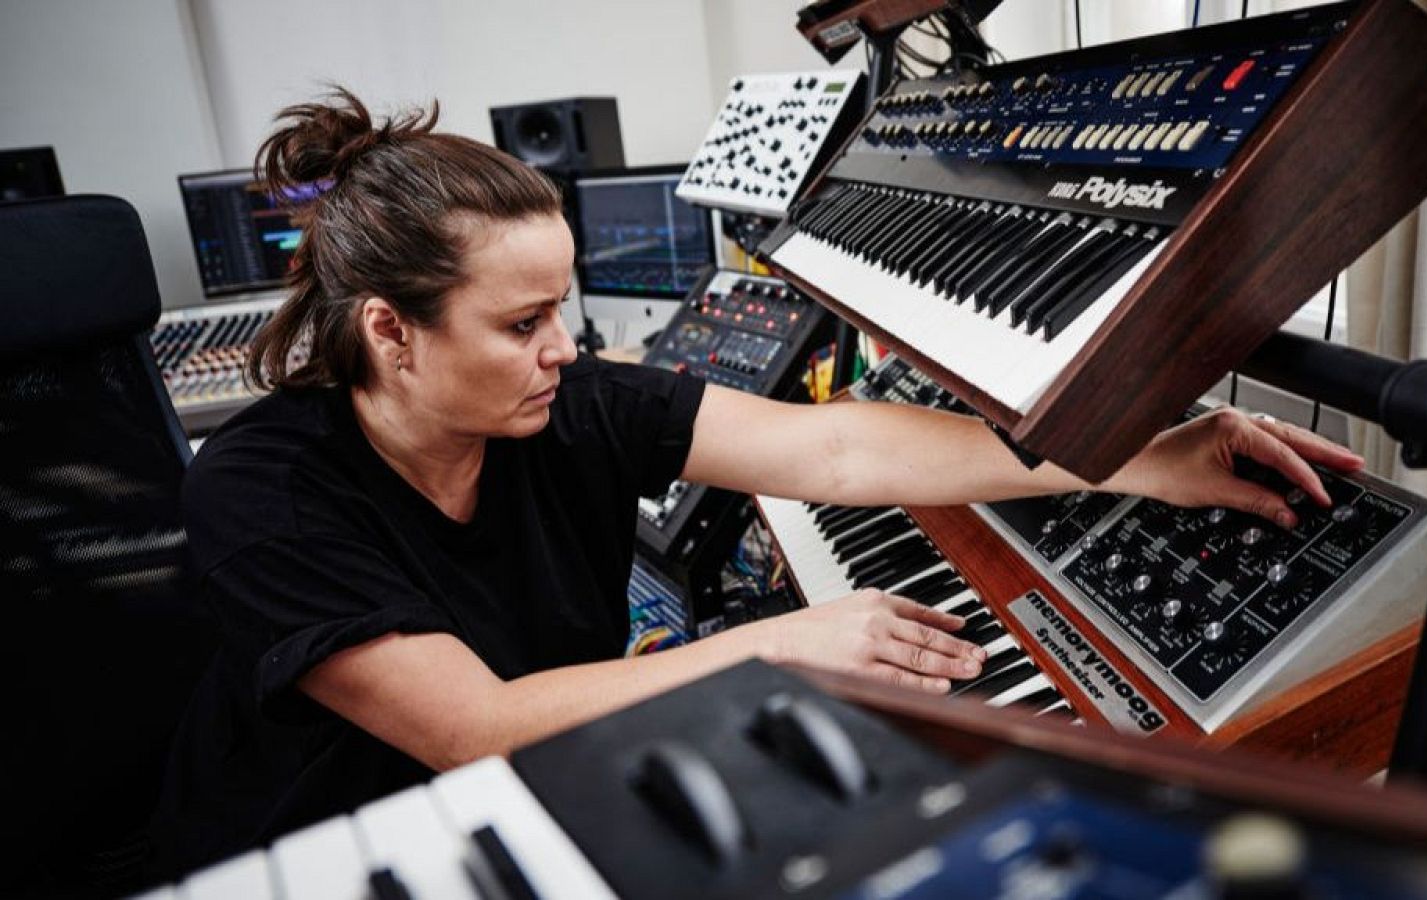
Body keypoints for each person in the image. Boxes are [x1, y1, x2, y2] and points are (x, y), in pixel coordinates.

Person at [150, 89, 1363, 873]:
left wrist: (1139, 459)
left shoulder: (569, 403)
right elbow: (468, 727)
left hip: (539, 786)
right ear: (390, 333)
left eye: (561, 309)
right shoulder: (263, 489)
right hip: (336, 850)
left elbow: (832, 447)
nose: (565, 347)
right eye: (522, 323)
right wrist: (779, 645)